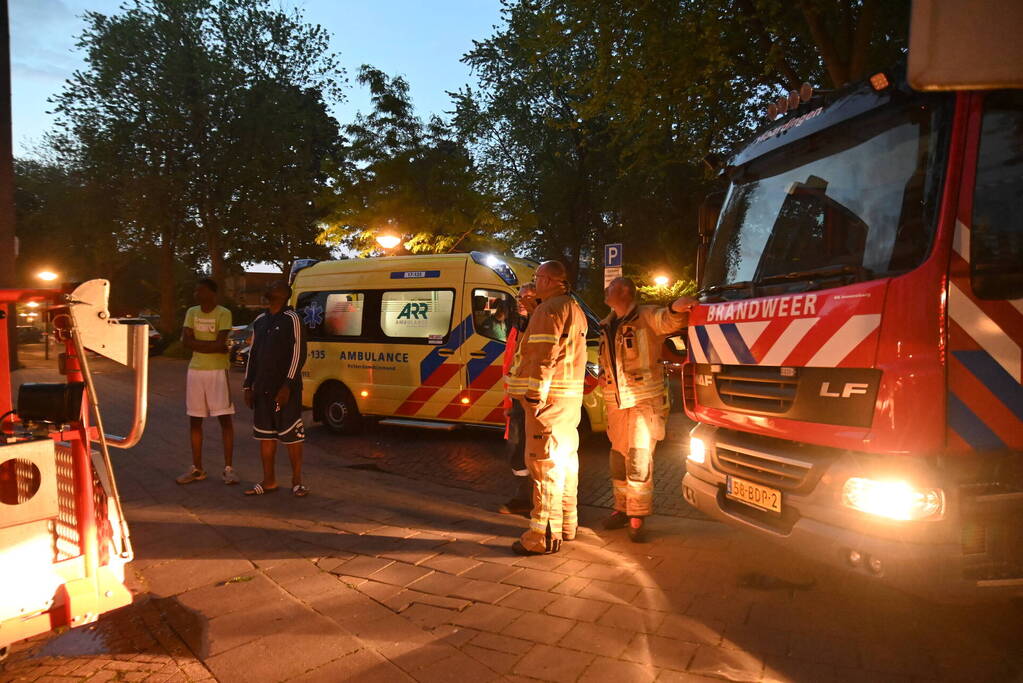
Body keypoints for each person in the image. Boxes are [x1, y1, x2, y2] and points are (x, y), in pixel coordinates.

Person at [599, 277, 696, 542]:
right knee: (618, 460)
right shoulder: (607, 324)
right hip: (617, 405)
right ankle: (621, 509)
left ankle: (637, 516)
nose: (605, 291)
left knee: (639, 459)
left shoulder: (647, 316)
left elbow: (670, 319)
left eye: (611, 288)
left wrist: (677, 307)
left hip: (643, 403)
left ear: (625, 291)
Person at [506, 261, 588, 555]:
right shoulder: (574, 309)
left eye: (537, 277)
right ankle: (567, 525)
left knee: (543, 466)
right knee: (565, 461)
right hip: (567, 401)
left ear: (551, 280)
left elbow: (543, 354)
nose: (534, 282)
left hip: (547, 402)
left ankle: (542, 536)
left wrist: (533, 396)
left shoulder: (548, 310)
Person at [242, 280, 309, 497]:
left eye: (272, 287)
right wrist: (247, 385)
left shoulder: (293, 319)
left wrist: (288, 385)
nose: (267, 289)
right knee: (265, 436)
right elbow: (253, 355)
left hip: (284, 389)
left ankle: (297, 481)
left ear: (282, 294)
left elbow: (299, 353)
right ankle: (268, 480)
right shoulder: (260, 320)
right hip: (262, 389)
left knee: (291, 436)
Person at [177, 278, 238, 485]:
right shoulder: (192, 312)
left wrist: (197, 343)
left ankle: (228, 469)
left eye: (201, 290)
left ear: (212, 293)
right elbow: (185, 342)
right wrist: (211, 345)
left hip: (217, 371)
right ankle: (197, 468)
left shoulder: (224, 313)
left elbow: (221, 343)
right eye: (196, 291)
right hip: (195, 371)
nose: (197, 294)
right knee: (195, 420)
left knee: (225, 420)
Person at [498, 282, 538, 515]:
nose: (521, 302)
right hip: (517, 400)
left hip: (530, 400)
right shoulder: (518, 326)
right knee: (516, 451)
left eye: (528, 297)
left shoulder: (538, 325)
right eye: (519, 297)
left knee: (524, 451)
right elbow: (510, 367)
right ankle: (525, 496)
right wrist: (508, 403)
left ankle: (529, 498)